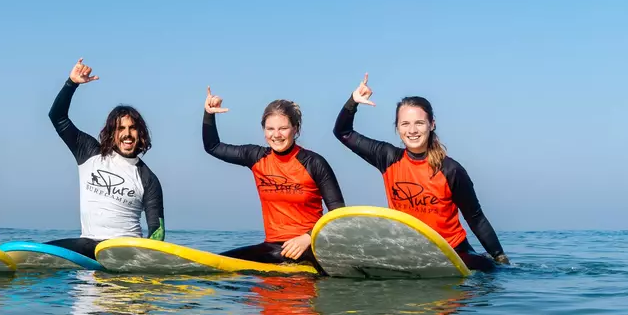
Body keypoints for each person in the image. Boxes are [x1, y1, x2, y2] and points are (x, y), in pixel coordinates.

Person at [333, 73, 510, 271]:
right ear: (397, 128)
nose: (412, 130)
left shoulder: (450, 170)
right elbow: (343, 132)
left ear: (431, 125)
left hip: (452, 252)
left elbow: (475, 218)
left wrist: (500, 257)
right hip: (410, 252)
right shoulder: (388, 157)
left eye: (419, 123)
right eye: (405, 124)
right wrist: (353, 102)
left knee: (485, 266)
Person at [203, 87, 345, 265]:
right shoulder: (256, 157)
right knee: (218, 263)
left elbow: (338, 214)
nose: (276, 135)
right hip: (273, 248)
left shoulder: (313, 163)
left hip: (312, 247)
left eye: (283, 128)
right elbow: (213, 147)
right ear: (263, 130)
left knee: (274, 257)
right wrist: (209, 114)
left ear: (295, 128)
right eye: (270, 129)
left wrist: (308, 238)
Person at [47, 59, 164, 258]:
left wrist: (147, 258)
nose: (127, 134)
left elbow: (156, 231)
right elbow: (57, 117)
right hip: (88, 248)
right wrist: (71, 83)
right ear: (112, 133)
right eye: (121, 129)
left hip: (125, 251)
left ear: (140, 133)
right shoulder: (90, 153)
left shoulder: (148, 179)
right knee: (41, 252)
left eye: (132, 128)